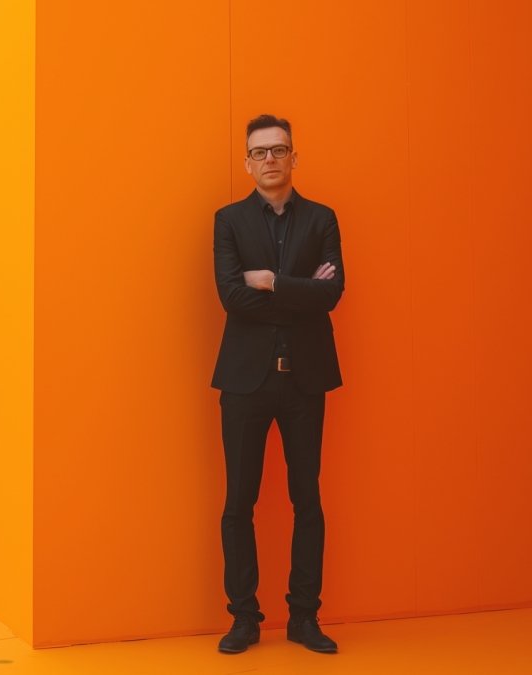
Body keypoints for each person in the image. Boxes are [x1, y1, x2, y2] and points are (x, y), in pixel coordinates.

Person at [211, 114, 343, 654]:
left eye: (279, 150)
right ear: (247, 162)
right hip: (245, 380)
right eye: (260, 152)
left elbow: (333, 294)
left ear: (294, 158)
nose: (270, 159)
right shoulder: (228, 221)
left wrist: (267, 281)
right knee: (239, 501)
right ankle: (244, 617)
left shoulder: (322, 219)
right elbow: (230, 297)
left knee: (306, 499)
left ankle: (304, 618)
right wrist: (297, 292)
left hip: (305, 380)